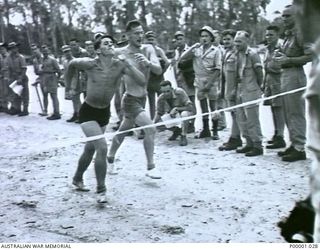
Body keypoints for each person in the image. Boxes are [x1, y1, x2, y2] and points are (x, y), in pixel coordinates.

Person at [65, 34, 146, 203]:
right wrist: (69, 87)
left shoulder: (120, 65)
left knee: (90, 148)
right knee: (101, 147)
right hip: (87, 111)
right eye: (106, 43)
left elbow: (142, 81)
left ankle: (77, 179)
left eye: (112, 43)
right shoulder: (90, 63)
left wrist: (129, 65)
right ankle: (101, 190)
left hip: (104, 112)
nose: (110, 45)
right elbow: (72, 64)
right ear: (98, 50)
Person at [107, 20, 162, 179]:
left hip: (142, 98)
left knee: (123, 130)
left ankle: (110, 157)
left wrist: (148, 63)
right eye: (136, 33)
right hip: (130, 99)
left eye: (141, 32)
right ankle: (151, 167)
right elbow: (106, 57)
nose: (140, 35)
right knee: (150, 128)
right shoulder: (120, 52)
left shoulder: (148, 48)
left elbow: (158, 70)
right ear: (128, 35)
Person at [274, 5, 313, 162]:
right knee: (288, 111)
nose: (284, 19)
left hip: (295, 74)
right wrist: (281, 56)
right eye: (283, 16)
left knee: (296, 111)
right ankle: (293, 143)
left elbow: (310, 56)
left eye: (288, 16)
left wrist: (288, 60)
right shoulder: (289, 35)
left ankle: (299, 148)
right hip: (285, 74)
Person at [179, 26, 222, 140]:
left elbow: (218, 69)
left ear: (211, 37)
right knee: (203, 107)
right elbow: (182, 57)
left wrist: (209, 84)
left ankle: (215, 130)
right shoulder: (196, 50)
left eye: (207, 36)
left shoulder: (216, 50)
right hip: (199, 80)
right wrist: (193, 47)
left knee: (213, 107)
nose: (204, 38)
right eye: (202, 36)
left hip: (211, 80)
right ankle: (206, 129)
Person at [233, 31, 264, 157]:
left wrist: (259, 88)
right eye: (235, 41)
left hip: (251, 89)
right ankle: (249, 143)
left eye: (239, 41)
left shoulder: (253, 54)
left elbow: (260, 72)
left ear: (247, 42)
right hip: (240, 89)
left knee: (252, 119)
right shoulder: (236, 54)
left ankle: (257, 145)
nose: (236, 44)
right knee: (241, 118)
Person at [218, 29, 243, 151]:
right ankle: (234, 137)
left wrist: (235, 90)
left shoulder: (237, 54)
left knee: (237, 113)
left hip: (235, 89)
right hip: (227, 88)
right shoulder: (225, 53)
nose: (226, 41)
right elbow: (223, 75)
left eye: (229, 39)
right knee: (233, 114)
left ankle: (235, 138)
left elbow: (240, 74)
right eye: (224, 39)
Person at [263, 25, 286, 149]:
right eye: (267, 35)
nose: (268, 37)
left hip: (279, 80)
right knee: (272, 106)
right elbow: (265, 66)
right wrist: (263, 83)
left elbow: (282, 66)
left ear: (277, 35)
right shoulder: (267, 49)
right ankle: (276, 133)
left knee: (279, 108)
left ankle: (280, 136)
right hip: (269, 81)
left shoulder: (281, 47)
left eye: (271, 35)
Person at [154, 80, 194, 146]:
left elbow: (190, 107)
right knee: (159, 124)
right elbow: (159, 113)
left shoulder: (180, 92)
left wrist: (177, 109)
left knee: (184, 114)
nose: (166, 94)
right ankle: (177, 130)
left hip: (185, 113)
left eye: (168, 91)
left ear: (172, 89)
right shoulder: (161, 98)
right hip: (172, 116)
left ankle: (183, 135)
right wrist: (153, 124)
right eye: (164, 92)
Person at [173, 31, 196, 133]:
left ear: (184, 39)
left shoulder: (190, 50)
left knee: (191, 101)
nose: (179, 41)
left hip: (189, 79)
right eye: (177, 39)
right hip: (179, 80)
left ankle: (192, 124)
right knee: (183, 101)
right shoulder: (176, 51)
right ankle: (185, 123)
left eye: (180, 39)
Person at [144, 30, 170, 120]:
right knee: (151, 101)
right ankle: (153, 120)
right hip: (150, 79)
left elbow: (167, 62)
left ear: (155, 40)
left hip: (159, 79)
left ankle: (162, 120)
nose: (150, 41)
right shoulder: (145, 50)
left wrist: (162, 71)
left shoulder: (159, 50)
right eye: (148, 39)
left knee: (161, 100)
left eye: (152, 39)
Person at [3, 42, 29, 116]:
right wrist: (8, 77)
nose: (13, 50)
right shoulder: (8, 58)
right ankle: (17, 109)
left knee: (25, 94)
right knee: (16, 94)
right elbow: (7, 68)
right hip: (13, 77)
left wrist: (21, 78)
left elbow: (24, 68)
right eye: (11, 48)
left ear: (17, 48)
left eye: (14, 48)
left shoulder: (21, 57)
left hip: (22, 76)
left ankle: (25, 110)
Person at [67, 38, 89, 123]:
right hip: (75, 77)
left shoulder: (83, 53)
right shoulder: (71, 53)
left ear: (78, 44)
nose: (73, 46)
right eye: (71, 45)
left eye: (74, 44)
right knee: (74, 97)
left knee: (85, 97)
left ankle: (85, 116)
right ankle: (76, 114)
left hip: (84, 77)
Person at [38, 45, 61, 120]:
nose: (45, 52)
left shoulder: (52, 59)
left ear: (49, 51)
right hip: (44, 79)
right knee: (44, 95)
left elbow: (59, 71)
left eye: (46, 51)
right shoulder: (41, 60)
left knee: (53, 96)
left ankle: (56, 113)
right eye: (43, 51)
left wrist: (57, 79)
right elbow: (40, 70)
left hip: (52, 78)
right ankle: (45, 111)